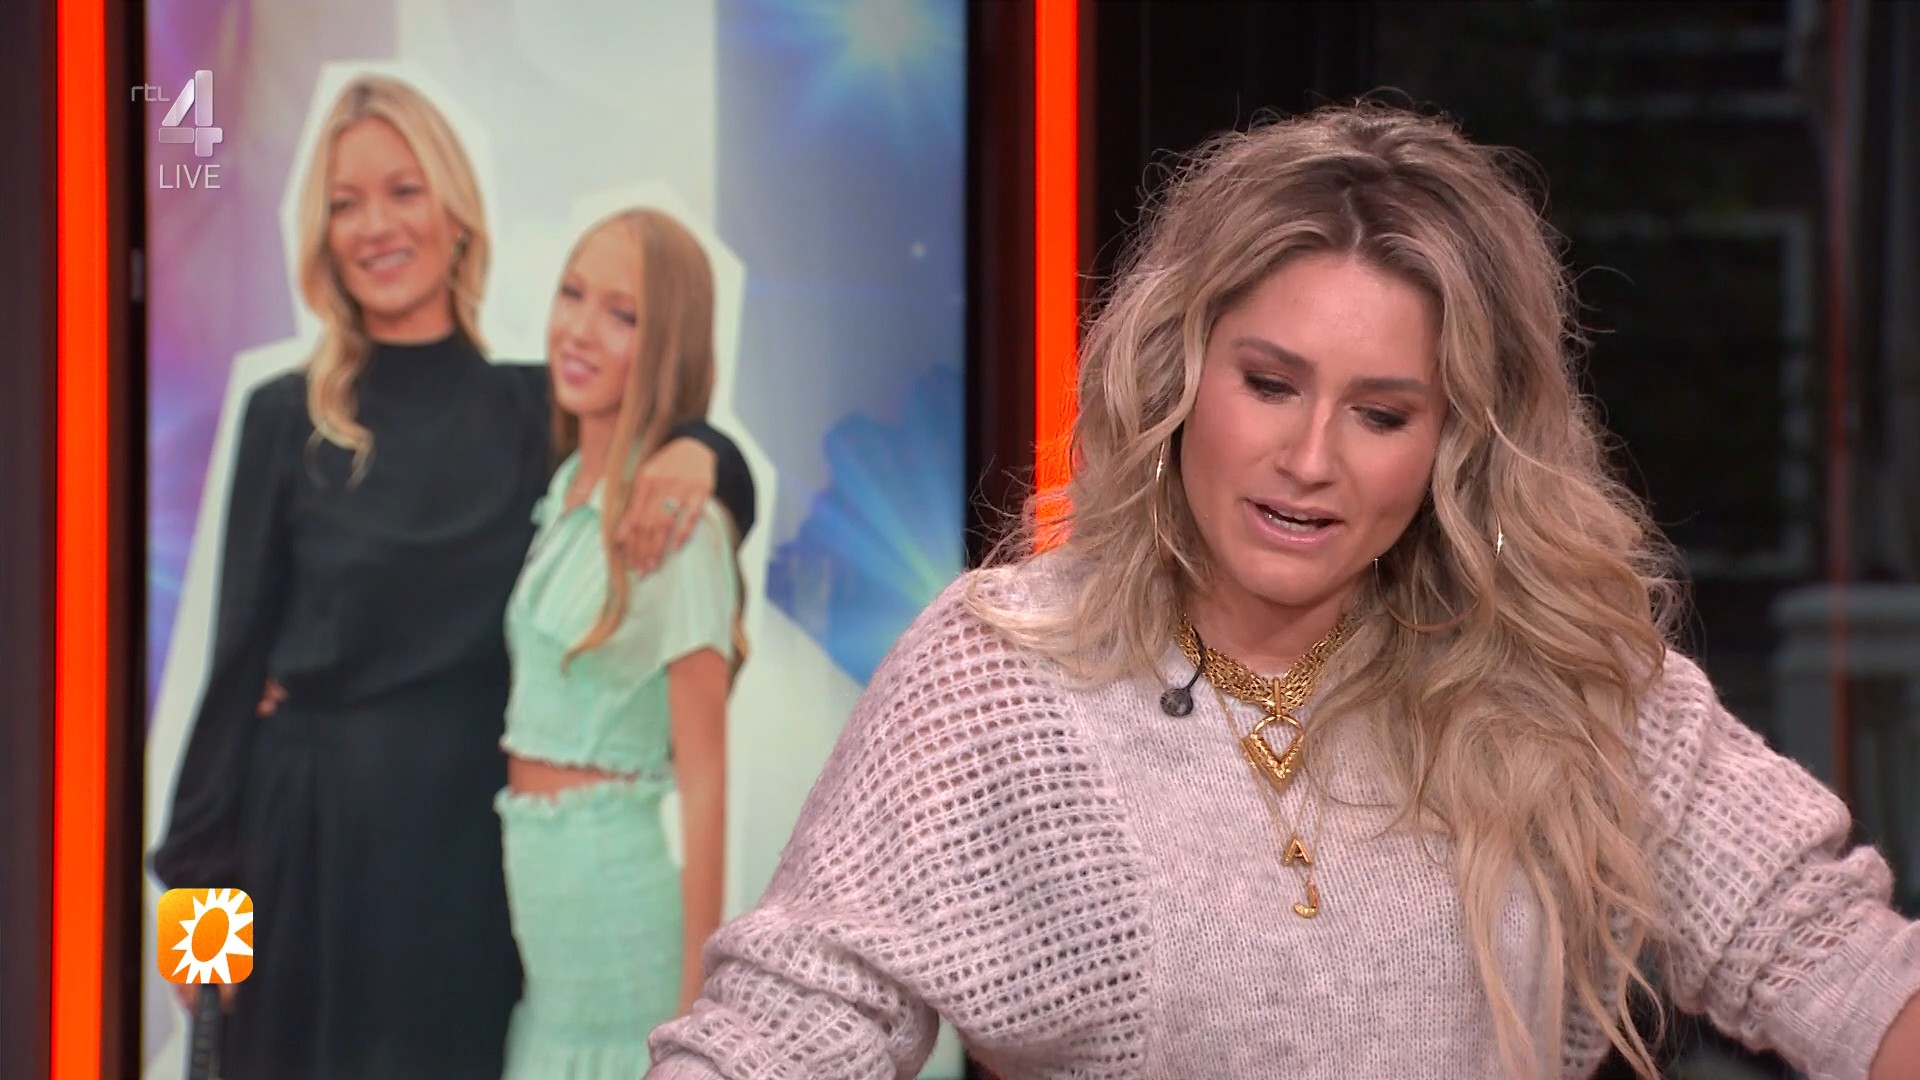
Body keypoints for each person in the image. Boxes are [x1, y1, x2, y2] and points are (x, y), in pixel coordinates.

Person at [644, 104, 1920, 1080]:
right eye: (1269, 385)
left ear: (1455, 445)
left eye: (1381, 414)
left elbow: (1826, 955)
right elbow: (780, 1033)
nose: (1310, 460)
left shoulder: (1557, 679)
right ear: (1180, 371)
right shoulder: (1004, 678)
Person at [149, 75, 756, 1080]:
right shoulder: (283, 417)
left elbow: (668, 433)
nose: (375, 226)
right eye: (345, 202)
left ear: (457, 214)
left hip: (468, 872)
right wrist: (199, 926)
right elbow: (234, 668)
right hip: (306, 852)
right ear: (322, 234)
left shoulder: (531, 412)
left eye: (404, 190)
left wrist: (705, 453)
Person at [494, 207, 743, 1078]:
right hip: (546, 933)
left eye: (621, 313)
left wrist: (697, 1017)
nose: (580, 329)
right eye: (572, 294)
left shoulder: (682, 530)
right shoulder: (565, 484)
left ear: (667, 341)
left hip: (618, 908)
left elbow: (707, 782)